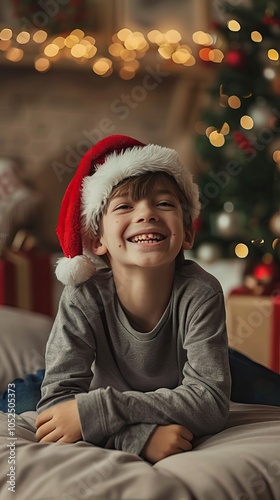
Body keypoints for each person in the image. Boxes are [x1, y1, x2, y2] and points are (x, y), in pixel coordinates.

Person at [34, 134, 231, 464]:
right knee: (22, 399)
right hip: (107, 381)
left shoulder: (200, 291)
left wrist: (104, 408)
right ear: (97, 240)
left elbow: (210, 402)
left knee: (265, 392)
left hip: (193, 367)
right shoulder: (84, 295)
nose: (147, 214)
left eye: (164, 203)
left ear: (188, 232)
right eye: (125, 206)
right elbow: (59, 407)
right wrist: (137, 438)